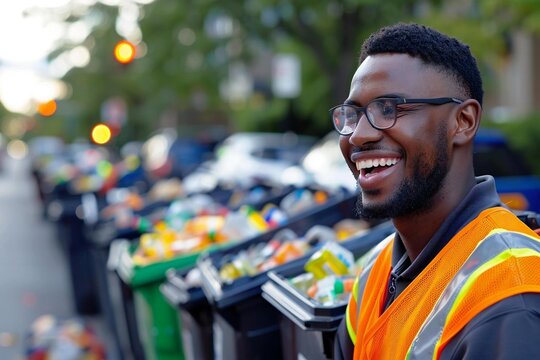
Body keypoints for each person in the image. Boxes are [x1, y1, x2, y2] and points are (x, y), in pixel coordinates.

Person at [332, 23, 540, 359]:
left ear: (464, 121)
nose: (358, 135)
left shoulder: (510, 295)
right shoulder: (376, 270)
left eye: (389, 109)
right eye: (353, 114)